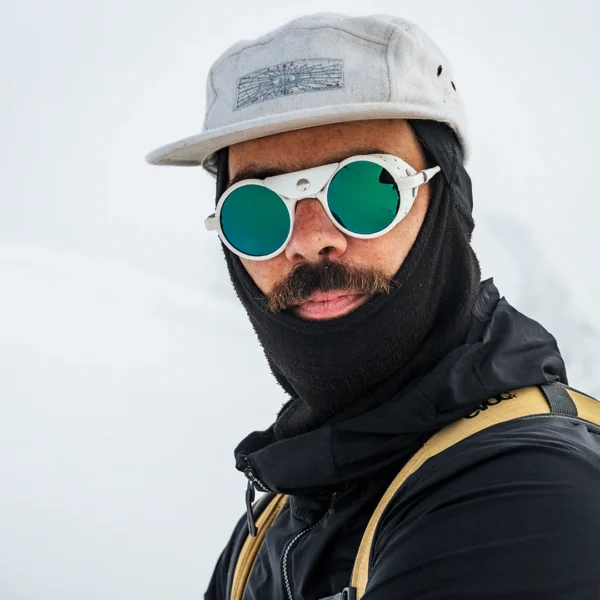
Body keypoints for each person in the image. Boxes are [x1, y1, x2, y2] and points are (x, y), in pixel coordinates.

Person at [147, 13, 600, 600]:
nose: (310, 240)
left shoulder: (529, 497)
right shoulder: (283, 506)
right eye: (256, 210)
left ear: (448, 200)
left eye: (365, 189)